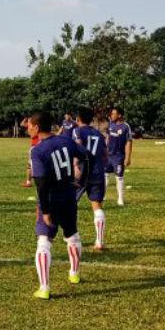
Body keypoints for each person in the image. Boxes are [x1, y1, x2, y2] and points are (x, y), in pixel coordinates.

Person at [27, 111, 87, 299]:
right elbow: (85, 156)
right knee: (72, 235)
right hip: (69, 197)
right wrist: (80, 180)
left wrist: (45, 210)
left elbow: (41, 182)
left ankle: (44, 288)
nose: (27, 128)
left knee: (44, 241)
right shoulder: (66, 140)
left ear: (37, 127)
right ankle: (74, 274)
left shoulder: (37, 150)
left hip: (51, 200)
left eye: (29, 125)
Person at [71, 107, 109, 251]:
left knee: (70, 203)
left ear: (78, 119)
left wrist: (75, 165)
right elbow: (105, 154)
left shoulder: (77, 131)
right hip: (97, 172)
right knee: (97, 206)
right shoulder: (99, 134)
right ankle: (99, 242)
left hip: (81, 171)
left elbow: (76, 147)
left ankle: (73, 237)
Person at [105, 107, 133, 206]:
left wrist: (128, 157)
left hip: (119, 156)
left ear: (119, 115)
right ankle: (103, 195)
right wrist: (105, 150)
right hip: (108, 155)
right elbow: (108, 138)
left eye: (113, 114)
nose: (111, 115)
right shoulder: (110, 124)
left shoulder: (126, 127)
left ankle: (120, 199)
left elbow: (129, 142)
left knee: (119, 177)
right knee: (106, 175)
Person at [20, 115, 40, 188]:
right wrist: (26, 120)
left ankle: (29, 182)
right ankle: (29, 181)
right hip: (36, 146)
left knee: (30, 165)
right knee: (31, 165)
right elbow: (22, 124)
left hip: (35, 147)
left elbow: (32, 135)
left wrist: (28, 122)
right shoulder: (34, 126)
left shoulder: (33, 127)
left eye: (29, 120)